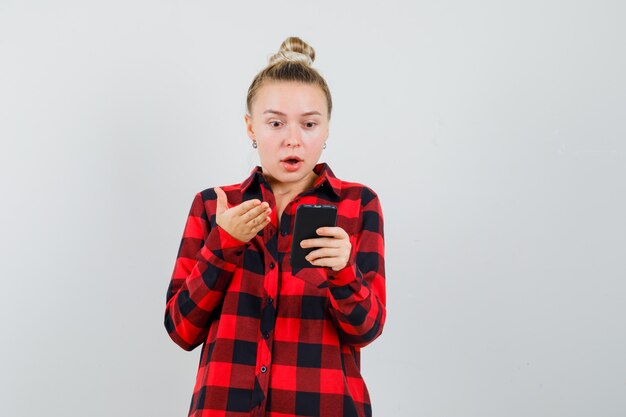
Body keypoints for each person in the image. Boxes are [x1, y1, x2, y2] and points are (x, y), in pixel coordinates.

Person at [164, 36, 386, 417]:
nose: (293, 139)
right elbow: (182, 330)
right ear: (251, 128)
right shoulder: (213, 205)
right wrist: (223, 245)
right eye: (276, 122)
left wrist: (343, 271)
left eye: (310, 123)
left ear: (327, 129)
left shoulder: (358, 204)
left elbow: (366, 330)